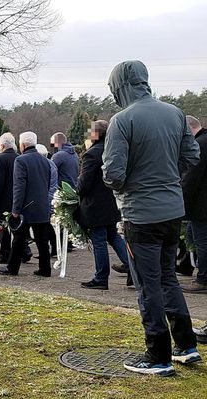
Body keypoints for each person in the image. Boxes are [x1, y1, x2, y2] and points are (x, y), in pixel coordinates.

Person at [103, 60, 201, 376]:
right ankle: (186, 346)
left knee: (148, 285)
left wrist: (138, 182)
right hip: (173, 211)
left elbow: (114, 174)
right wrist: (167, 178)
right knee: (167, 277)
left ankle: (157, 355)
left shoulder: (122, 121)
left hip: (140, 215)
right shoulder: (174, 113)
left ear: (120, 88)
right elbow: (192, 156)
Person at [77, 120, 131, 290]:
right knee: (113, 236)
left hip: (95, 205)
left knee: (99, 240)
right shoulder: (113, 151)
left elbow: (85, 183)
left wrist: (76, 192)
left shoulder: (91, 154)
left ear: (95, 134)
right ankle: (131, 266)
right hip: (111, 202)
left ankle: (101, 277)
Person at [0, 131, 52, 277]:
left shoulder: (21, 161)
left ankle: (12, 267)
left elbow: (19, 187)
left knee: (18, 239)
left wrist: (15, 209)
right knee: (42, 240)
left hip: (27, 207)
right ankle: (45, 268)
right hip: (42, 206)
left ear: (22, 145)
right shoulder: (45, 161)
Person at [181, 115, 207, 293]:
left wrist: (179, 200)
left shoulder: (198, 145)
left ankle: (203, 279)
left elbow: (191, 178)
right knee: (194, 237)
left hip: (201, 205)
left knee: (202, 242)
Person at [0, 133, 18, 264]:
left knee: (3, 227)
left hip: (4, 200)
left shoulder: (0, 159)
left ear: (1, 145)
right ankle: (24, 251)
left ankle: (5, 253)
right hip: (17, 198)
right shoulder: (19, 158)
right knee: (17, 228)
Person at [36, 144, 58, 258]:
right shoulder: (51, 164)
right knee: (47, 225)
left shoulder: (45, 165)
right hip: (49, 197)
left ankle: (52, 248)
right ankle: (54, 248)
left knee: (45, 226)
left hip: (46, 198)